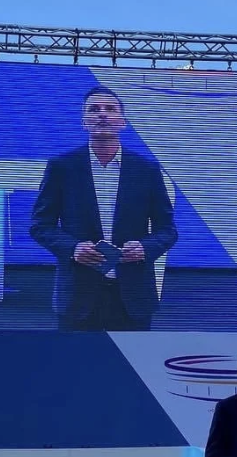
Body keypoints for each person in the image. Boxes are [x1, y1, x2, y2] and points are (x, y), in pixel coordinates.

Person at [29, 87, 177, 331]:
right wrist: (73, 248)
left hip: (134, 296)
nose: (102, 115)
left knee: (133, 357)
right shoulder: (62, 167)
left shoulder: (147, 170)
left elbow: (167, 230)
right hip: (77, 295)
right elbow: (40, 225)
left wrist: (145, 248)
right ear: (84, 122)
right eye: (94, 109)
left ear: (123, 122)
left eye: (110, 109)